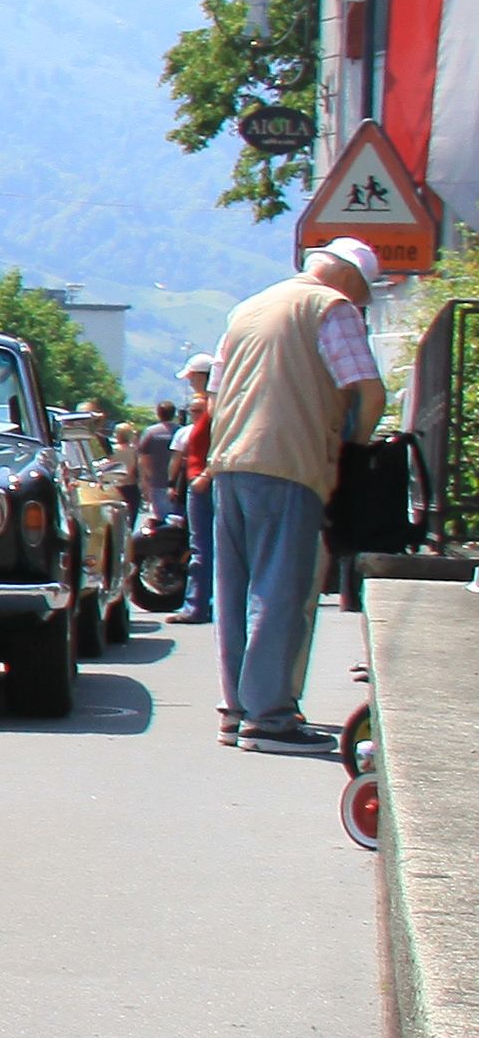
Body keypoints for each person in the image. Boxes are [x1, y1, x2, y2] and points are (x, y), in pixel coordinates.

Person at [206, 239, 387, 746]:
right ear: (351, 280)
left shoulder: (247, 309)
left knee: (235, 590)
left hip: (230, 461)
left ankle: (235, 708)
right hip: (291, 461)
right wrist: (351, 448)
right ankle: (270, 716)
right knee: (280, 591)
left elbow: (215, 395)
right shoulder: (331, 307)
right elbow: (369, 391)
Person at [175, 353, 218, 624]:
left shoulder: (214, 407)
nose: (190, 382)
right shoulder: (212, 405)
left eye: (192, 376)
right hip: (202, 478)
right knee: (206, 546)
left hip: (205, 480)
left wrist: (206, 473)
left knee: (201, 547)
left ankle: (197, 604)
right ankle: (203, 603)